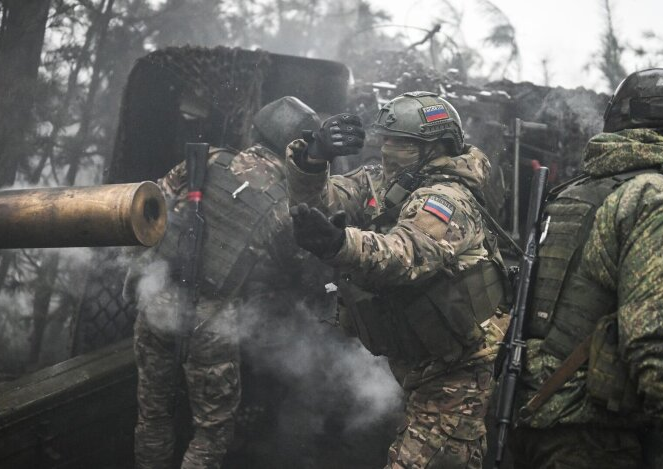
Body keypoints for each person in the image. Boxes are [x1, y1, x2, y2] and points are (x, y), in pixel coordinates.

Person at [507, 68, 663, 469]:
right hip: (593, 437)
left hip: (527, 421)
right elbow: (657, 342)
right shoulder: (660, 202)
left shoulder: (573, 193)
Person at [286, 91, 509, 469]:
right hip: (419, 362)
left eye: (403, 143)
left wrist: (342, 243)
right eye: (386, 140)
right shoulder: (386, 181)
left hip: (460, 368)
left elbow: (406, 254)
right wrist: (313, 159)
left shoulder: (448, 197)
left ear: (437, 147)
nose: (389, 149)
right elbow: (325, 203)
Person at [124, 96, 320, 469]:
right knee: (211, 433)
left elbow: (155, 207)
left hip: (158, 302)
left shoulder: (208, 160)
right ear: (297, 151)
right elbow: (293, 272)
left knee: (153, 416)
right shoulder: (285, 206)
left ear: (257, 130)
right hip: (212, 325)